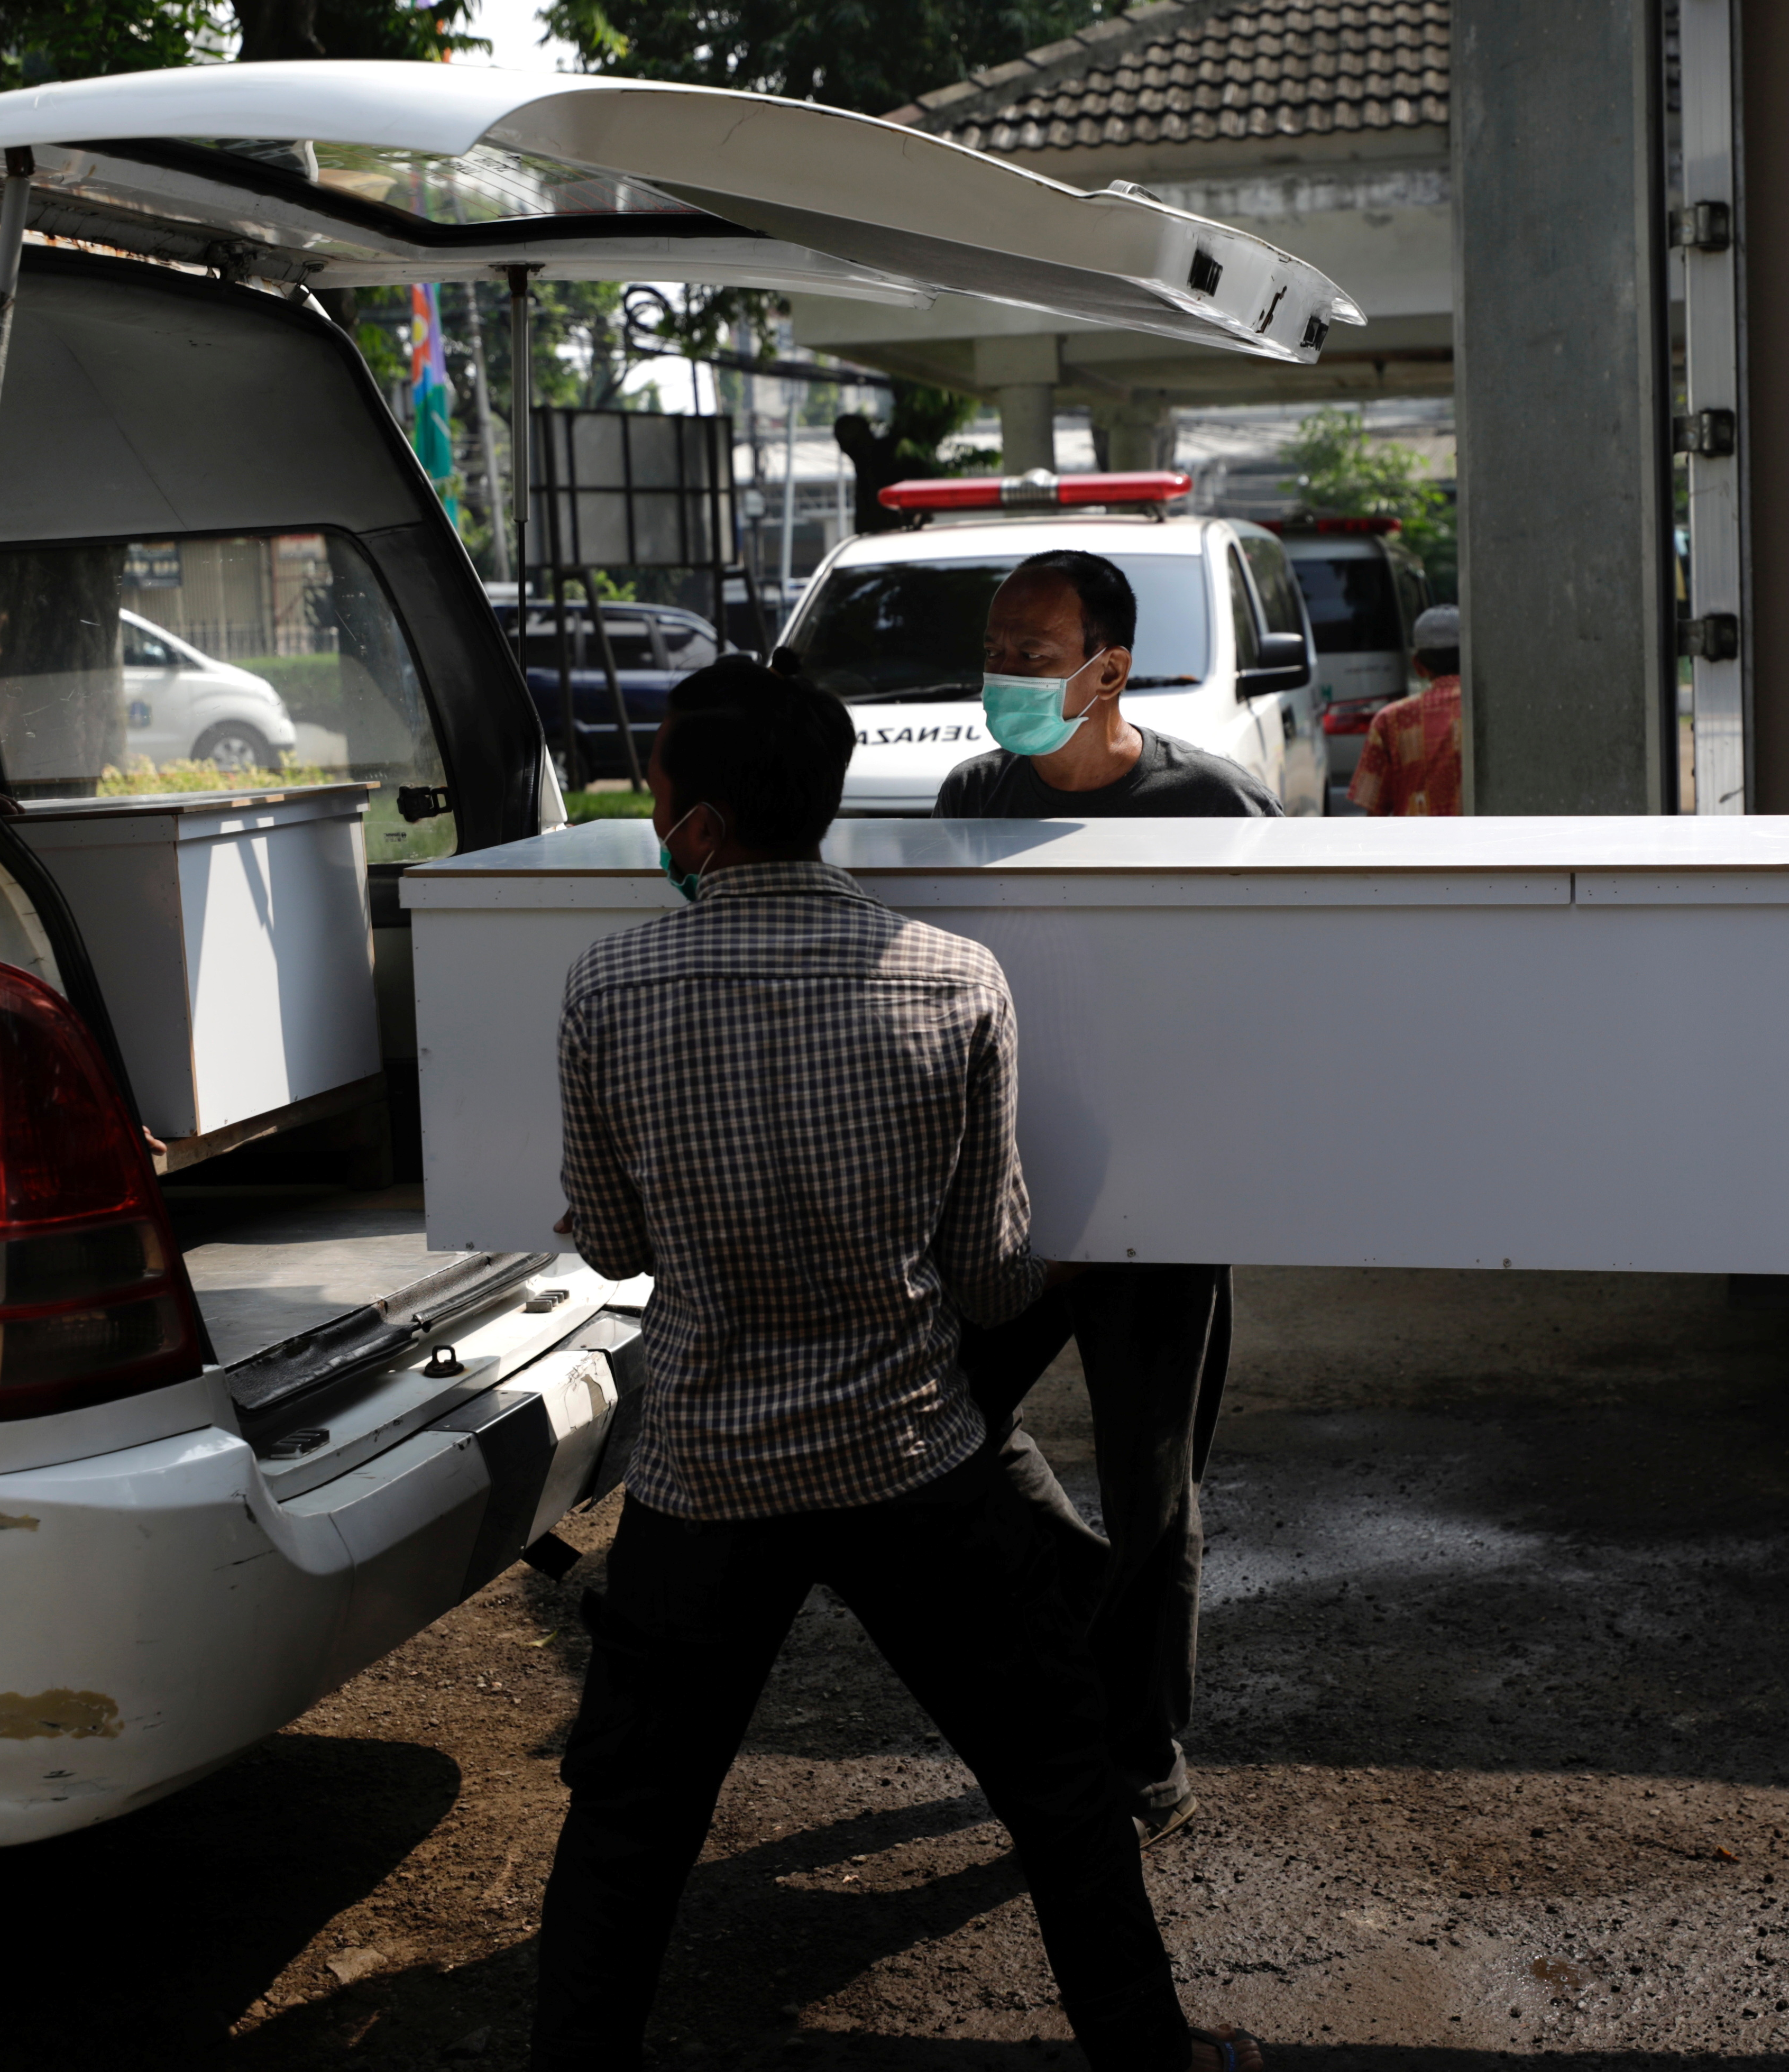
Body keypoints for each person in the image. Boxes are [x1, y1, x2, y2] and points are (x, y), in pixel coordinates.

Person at [532, 656, 1259, 2072]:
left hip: (705, 1474)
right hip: (909, 1460)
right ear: (818, 804)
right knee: (1057, 1776)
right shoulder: (952, 979)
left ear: (694, 820)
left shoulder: (606, 985)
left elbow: (615, 1253)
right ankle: (1150, 2060)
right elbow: (991, 1282)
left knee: (628, 1823)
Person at [934, 549, 1272, 1848]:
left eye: (1033, 653)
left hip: (1162, 1211)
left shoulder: (1212, 806)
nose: (1005, 675)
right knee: (946, 1419)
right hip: (1016, 1204)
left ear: (1108, 668)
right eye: (997, 649)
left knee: (1153, 1485)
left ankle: (1141, 1745)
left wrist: (1189, 1180)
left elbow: (1268, 1016)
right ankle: (1089, 1610)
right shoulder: (977, 792)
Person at [1348, 602, 1460, 815]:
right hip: (1487, 846)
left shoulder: (1390, 720)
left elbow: (1374, 810)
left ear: (1418, 666)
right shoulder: (1496, 712)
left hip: (1414, 846)